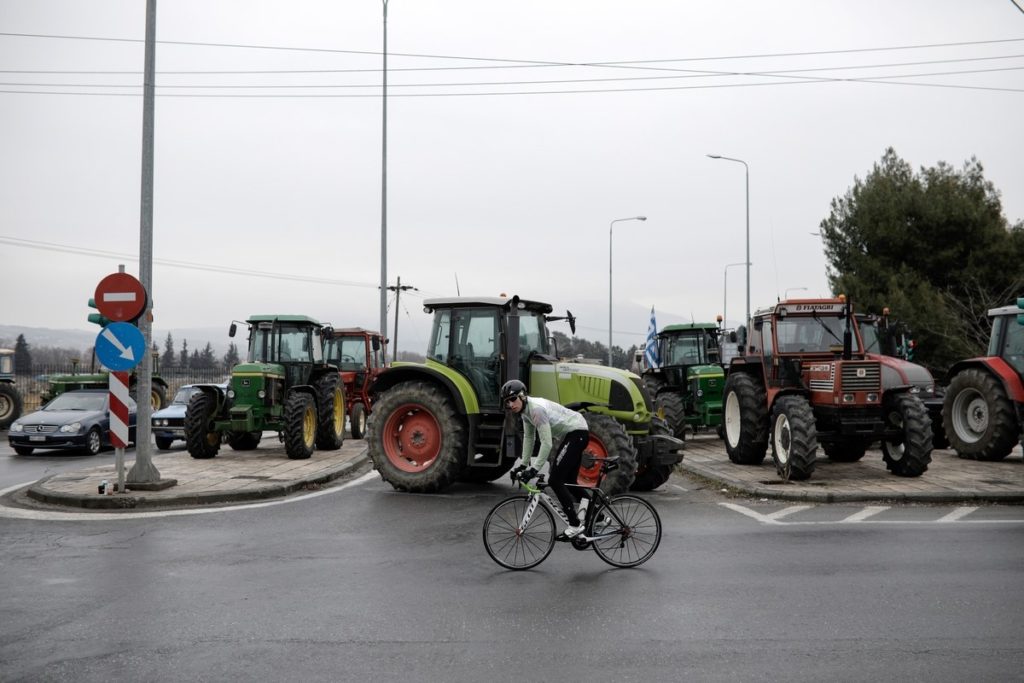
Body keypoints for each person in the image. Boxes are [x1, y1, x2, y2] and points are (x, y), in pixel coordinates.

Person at [501, 379, 591, 538]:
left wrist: (534, 468)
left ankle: (575, 525)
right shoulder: (525, 412)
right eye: (507, 402)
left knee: (555, 480)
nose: (511, 404)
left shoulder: (536, 410)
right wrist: (522, 466)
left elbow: (547, 443)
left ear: (522, 396)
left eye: (513, 399)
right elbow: (529, 438)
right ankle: (600, 517)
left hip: (577, 432)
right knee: (570, 482)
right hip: (574, 433)